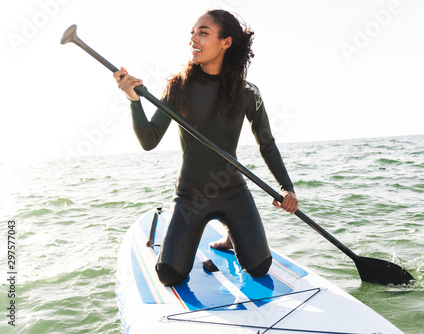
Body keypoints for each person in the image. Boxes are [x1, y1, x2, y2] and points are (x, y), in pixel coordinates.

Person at [113, 9, 298, 286]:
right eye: (192, 33)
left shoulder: (248, 93)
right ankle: (220, 233)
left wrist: (286, 187)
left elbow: (266, 142)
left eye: (203, 32)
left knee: (260, 267)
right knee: (169, 275)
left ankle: (230, 236)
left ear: (226, 42)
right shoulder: (179, 86)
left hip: (233, 192)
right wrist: (133, 101)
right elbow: (149, 140)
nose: (193, 39)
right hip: (190, 196)